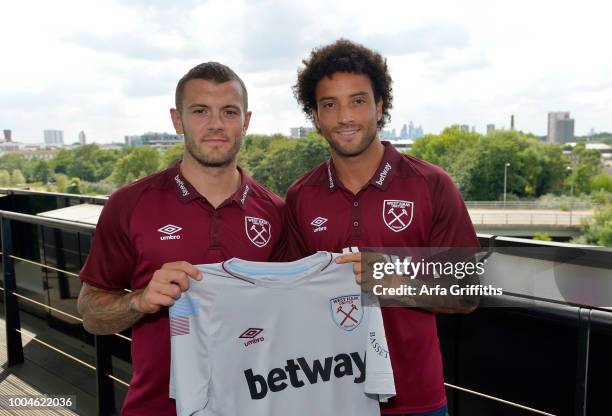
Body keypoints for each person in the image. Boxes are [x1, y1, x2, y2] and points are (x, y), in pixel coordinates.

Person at [77, 62, 285, 416]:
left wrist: (367, 275)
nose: (216, 124)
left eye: (229, 112)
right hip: (155, 407)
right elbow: (90, 315)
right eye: (200, 111)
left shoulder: (276, 212)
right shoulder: (129, 204)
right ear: (177, 120)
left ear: (246, 121)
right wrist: (139, 301)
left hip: (258, 405)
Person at [285, 39, 479, 416]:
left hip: (415, 399)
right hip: (324, 396)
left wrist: (390, 279)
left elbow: (467, 292)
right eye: (329, 105)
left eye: (357, 101)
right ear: (315, 116)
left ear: (379, 106)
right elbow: (289, 297)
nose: (344, 117)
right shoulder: (300, 196)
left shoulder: (431, 185)